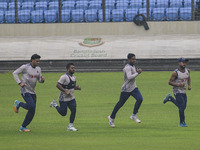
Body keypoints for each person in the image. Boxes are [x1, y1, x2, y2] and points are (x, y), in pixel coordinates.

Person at [108, 53, 143, 128]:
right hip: (126, 89)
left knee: (140, 99)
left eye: (135, 59)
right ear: (129, 59)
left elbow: (132, 74)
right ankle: (111, 118)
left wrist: (136, 71)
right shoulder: (127, 67)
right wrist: (138, 73)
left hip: (133, 88)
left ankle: (134, 115)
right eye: (133, 59)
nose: (134, 60)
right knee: (120, 104)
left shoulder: (132, 66)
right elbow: (130, 77)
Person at [13, 54, 45, 132]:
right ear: (32, 60)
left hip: (32, 91)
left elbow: (39, 80)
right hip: (25, 90)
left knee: (32, 110)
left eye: (39, 61)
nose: (38, 62)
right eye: (37, 61)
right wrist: (19, 83)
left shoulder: (38, 68)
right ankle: (18, 103)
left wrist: (42, 80)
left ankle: (23, 127)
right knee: (31, 106)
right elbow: (15, 73)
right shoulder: (25, 67)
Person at [49, 63, 81, 131]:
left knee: (74, 110)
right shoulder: (64, 77)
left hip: (71, 98)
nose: (73, 69)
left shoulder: (74, 77)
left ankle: (70, 126)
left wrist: (77, 88)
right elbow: (58, 85)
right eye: (72, 68)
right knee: (63, 113)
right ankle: (55, 104)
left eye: (74, 68)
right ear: (68, 69)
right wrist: (65, 91)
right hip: (63, 98)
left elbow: (72, 87)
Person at [163, 57, 191, 127]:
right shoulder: (175, 73)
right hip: (177, 91)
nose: (184, 64)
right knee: (181, 107)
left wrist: (189, 85)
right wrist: (178, 84)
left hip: (183, 91)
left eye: (185, 62)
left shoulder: (187, 71)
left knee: (183, 107)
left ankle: (170, 98)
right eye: (183, 62)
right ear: (179, 63)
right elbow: (169, 82)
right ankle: (182, 123)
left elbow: (188, 78)